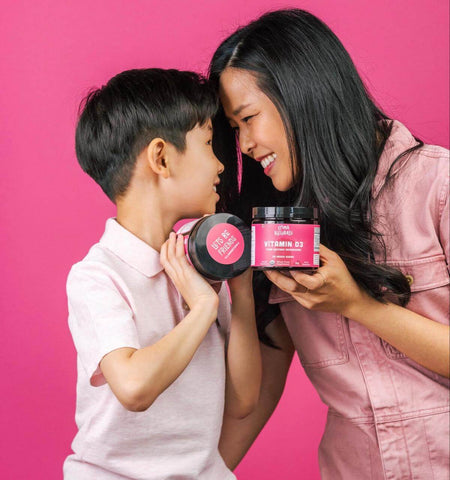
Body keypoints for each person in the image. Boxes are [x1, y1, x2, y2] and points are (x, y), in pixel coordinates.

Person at [209, 9, 450, 479]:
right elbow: (256, 393)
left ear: (304, 94)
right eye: (234, 130)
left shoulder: (437, 185)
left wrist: (359, 304)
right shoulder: (278, 229)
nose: (245, 145)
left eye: (249, 119)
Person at [63, 68, 261, 480]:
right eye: (208, 144)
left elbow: (243, 402)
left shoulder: (200, 260)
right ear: (161, 157)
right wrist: (202, 308)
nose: (221, 163)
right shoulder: (97, 277)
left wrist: (239, 290)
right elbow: (134, 388)